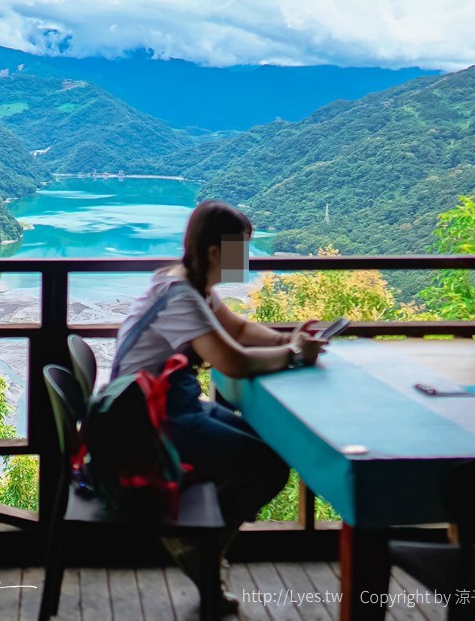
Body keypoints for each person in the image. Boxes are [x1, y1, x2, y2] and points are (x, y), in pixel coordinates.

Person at [112, 200, 328, 613]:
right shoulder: (181, 296)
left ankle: (201, 548)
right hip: (148, 416)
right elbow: (233, 361)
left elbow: (241, 330)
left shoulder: (188, 285)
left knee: (270, 457)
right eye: (241, 249)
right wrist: (296, 355)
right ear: (214, 252)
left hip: (167, 402)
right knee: (265, 468)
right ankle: (198, 547)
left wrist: (288, 341)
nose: (247, 259)